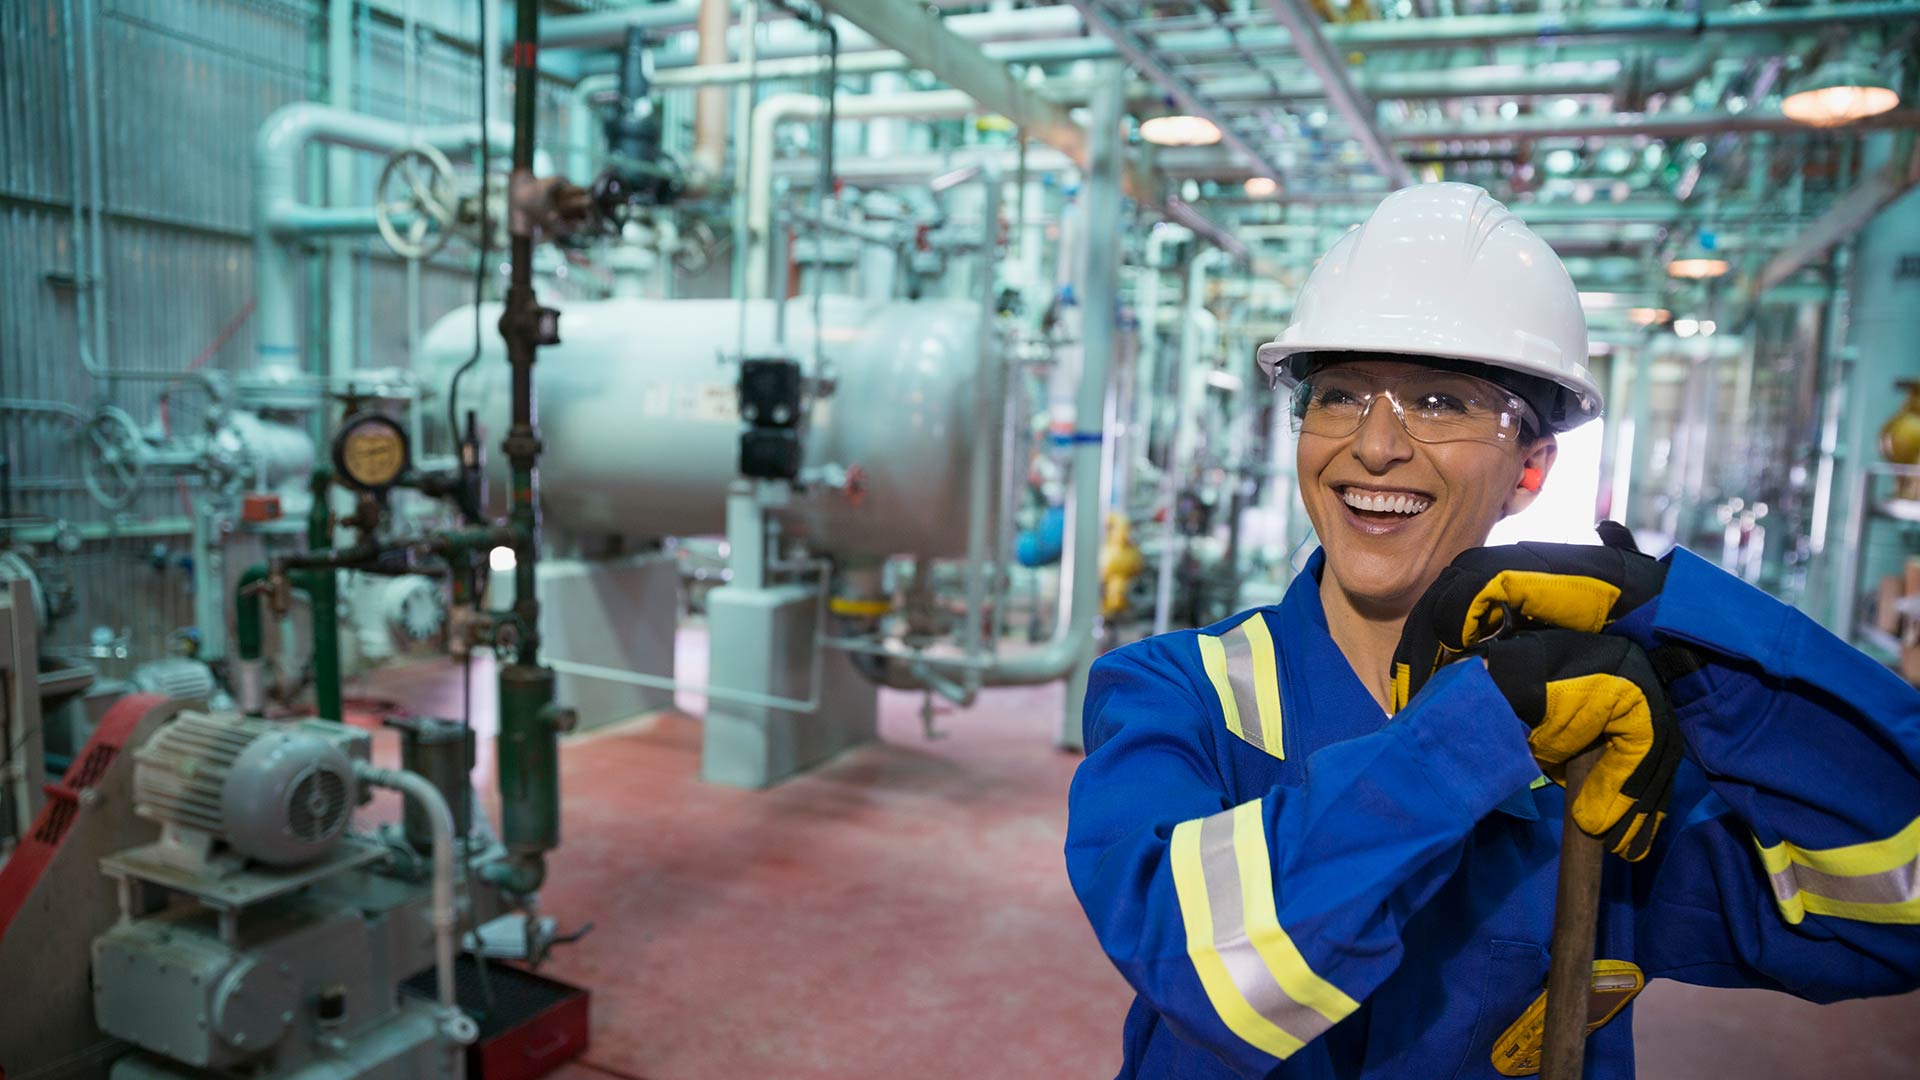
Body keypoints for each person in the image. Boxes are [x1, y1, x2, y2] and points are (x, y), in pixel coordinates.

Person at [1064, 182, 1920, 1079]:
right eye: (1341, 395)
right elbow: (1208, 971)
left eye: (1440, 402)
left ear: (1531, 469)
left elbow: (1891, 916)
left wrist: (1694, 644)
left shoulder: (1604, 748)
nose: (1377, 447)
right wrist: (1477, 730)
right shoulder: (1175, 694)